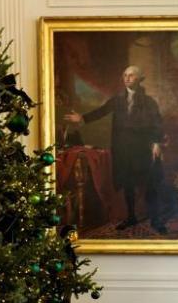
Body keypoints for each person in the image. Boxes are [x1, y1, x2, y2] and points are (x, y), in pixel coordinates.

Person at [63, 65, 166, 234]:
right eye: (125, 75)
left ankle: (156, 219)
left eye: (131, 75)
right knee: (127, 184)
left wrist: (156, 143)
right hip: (122, 149)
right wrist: (82, 118)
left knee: (149, 184)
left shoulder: (149, 102)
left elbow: (157, 123)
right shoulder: (118, 99)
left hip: (142, 149)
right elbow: (102, 111)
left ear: (139, 79)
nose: (127, 78)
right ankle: (131, 216)